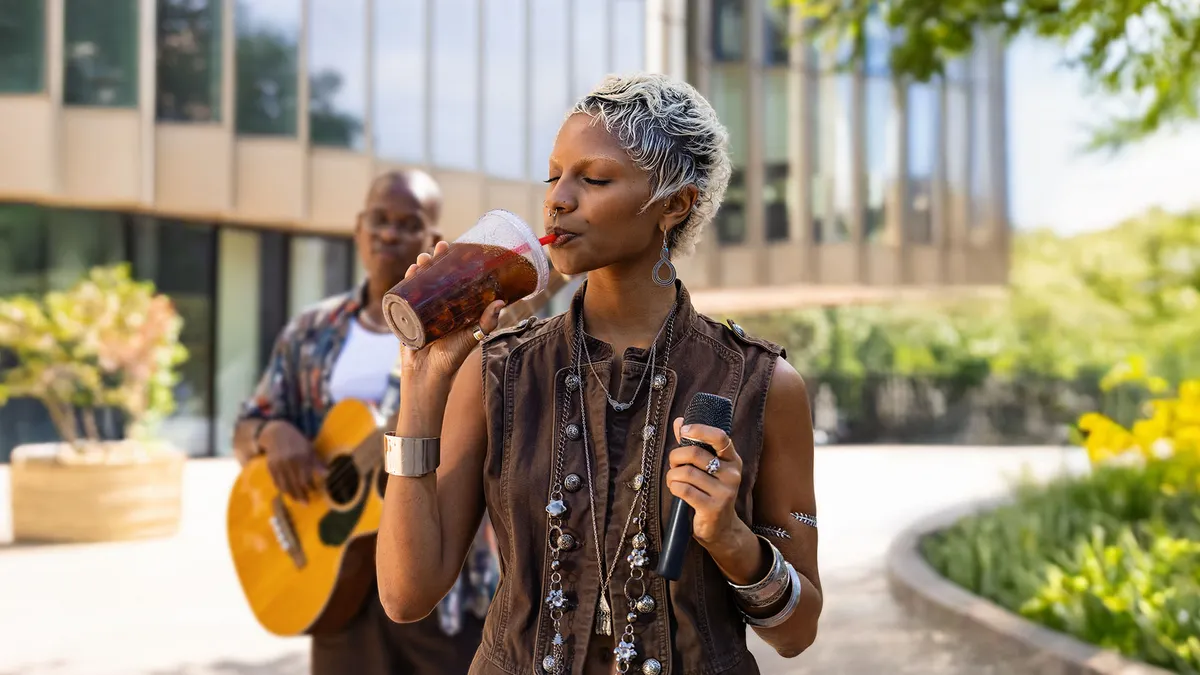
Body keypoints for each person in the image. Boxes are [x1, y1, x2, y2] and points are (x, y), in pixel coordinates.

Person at [375, 73, 822, 675]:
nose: (558, 198)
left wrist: (731, 539)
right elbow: (407, 595)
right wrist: (421, 387)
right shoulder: (498, 370)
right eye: (554, 176)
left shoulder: (761, 383)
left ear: (675, 203)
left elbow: (797, 633)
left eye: (593, 178)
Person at [232, 169, 497, 675]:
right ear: (358, 228)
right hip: (333, 586)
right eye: (379, 219)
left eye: (407, 223)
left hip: (442, 594)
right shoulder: (311, 330)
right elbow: (249, 423)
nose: (389, 233)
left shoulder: (463, 336)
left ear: (433, 241)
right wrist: (272, 434)